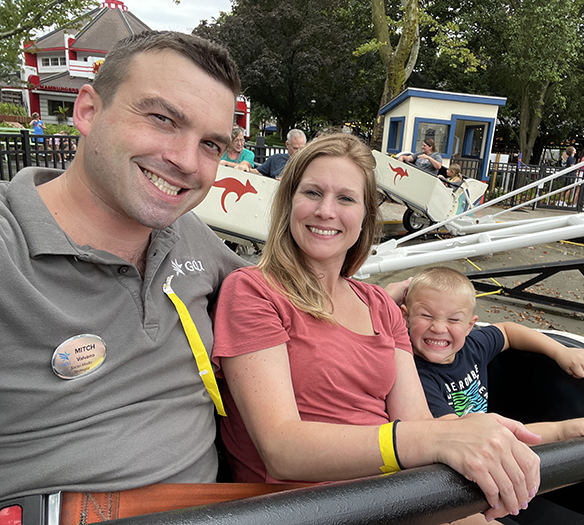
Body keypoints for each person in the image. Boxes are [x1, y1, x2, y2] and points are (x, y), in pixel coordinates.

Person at [212, 133, 541, 523]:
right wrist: (434, 439)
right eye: (312, 193)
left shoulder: (380, 305)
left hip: (395, 494)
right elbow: (281, 449)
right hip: (304, 509)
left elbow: (417, 422)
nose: (326, 211)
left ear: (366, 216)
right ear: (288, 202)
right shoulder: (253, 291)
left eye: (346, 199)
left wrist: (482, 435)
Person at [0, 31, 247, 500]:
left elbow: (282, 292)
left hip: (218, 506)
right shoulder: (8, 248)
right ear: (88, 111)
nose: (186, 162)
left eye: (210, 145)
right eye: (163, 119)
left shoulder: (187, 234)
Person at [402, 267, 584, 525]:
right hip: (454, 485)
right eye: (426, 315)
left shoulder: (473, 346)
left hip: (499, 473)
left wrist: (560, 352)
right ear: (405, 316)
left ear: (469, 326)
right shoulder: (414, 377)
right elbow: (470, 441)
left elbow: (508, 331)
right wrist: (564, 430)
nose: (439, 327)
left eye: (453, 320)